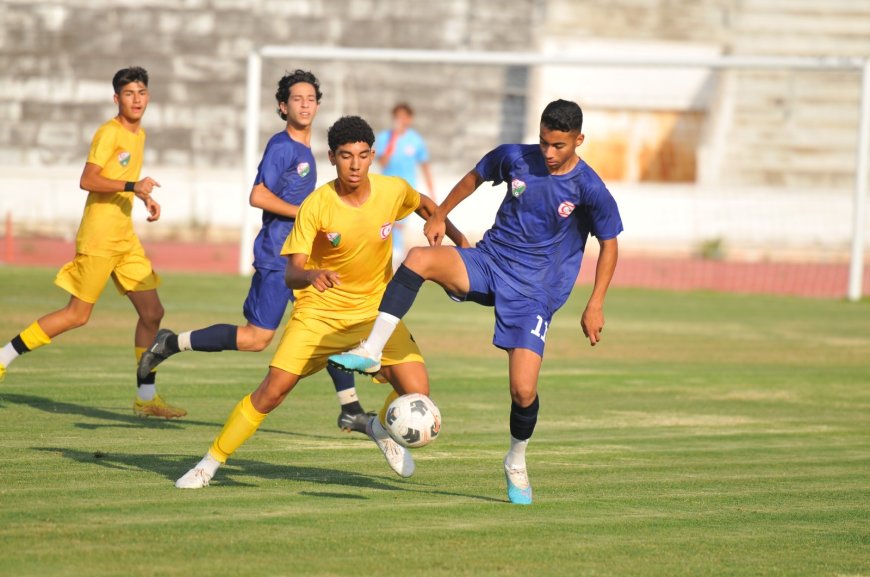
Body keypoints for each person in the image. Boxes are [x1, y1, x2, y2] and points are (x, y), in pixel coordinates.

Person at [330, 100, 623, 505]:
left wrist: (596, 303)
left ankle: (515, 461)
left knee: (523, 391)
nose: (549, 153)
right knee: (419, 258)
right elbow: (474, 177)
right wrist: (440, 215)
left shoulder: (589, 188)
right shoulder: (515, 157)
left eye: (559, 145)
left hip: (535, 293)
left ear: (578, 140)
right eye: (543, 142)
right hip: (490, 261)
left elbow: (609, 244)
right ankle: (372, 349)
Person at [174, 115, 469, 489]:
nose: (355, 165)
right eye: (346, 156)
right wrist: (313, 275)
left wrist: (457, 238)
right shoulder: (317, 206)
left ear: (372, 155)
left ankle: (378, 427)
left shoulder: (392, 191)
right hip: (320, 315)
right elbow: (292, 273)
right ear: (332, 157)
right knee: (272, 392)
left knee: (417, 390)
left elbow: (426, 205)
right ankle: (209, 464)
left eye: (363, 155)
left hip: (374, 315)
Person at [136, 71, 373, 434]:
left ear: (318, 105)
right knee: (256, 339)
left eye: (311, 98)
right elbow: (258, 195)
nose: (305, 104)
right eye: (297, 99)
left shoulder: (305, 149)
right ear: (283, 106)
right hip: (278, 255)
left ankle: (351, 409)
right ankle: (171, 342)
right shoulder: (282, 147)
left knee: (328, 324)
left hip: (301, 257)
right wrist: (310, 214)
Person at [0, 66, 185, 418]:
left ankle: (146, 398)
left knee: (153, 312)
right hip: (99, 238)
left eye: (141, 92)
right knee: (77, 315)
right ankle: (2, 358)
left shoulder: (139, 135)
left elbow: (119, 179)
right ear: (116, 98)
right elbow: (88, 179)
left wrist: (143, 197)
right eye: (129, 93)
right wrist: (132, 187)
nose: (137, 99)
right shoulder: (108, 133)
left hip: (124, 239)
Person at [376, 103, 435, 266]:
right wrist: (393, 140)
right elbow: (382, 161)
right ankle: (387, 257)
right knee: (386, 223)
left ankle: (396, 257)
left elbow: (425, 165)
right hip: (387, 187)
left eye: (404, 117)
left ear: (409, 119)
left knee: (399, 224)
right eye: (397, 117)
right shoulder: (384, 138)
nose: (400, 120)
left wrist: (431, 191)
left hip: (408, 189)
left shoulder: (415, 140)